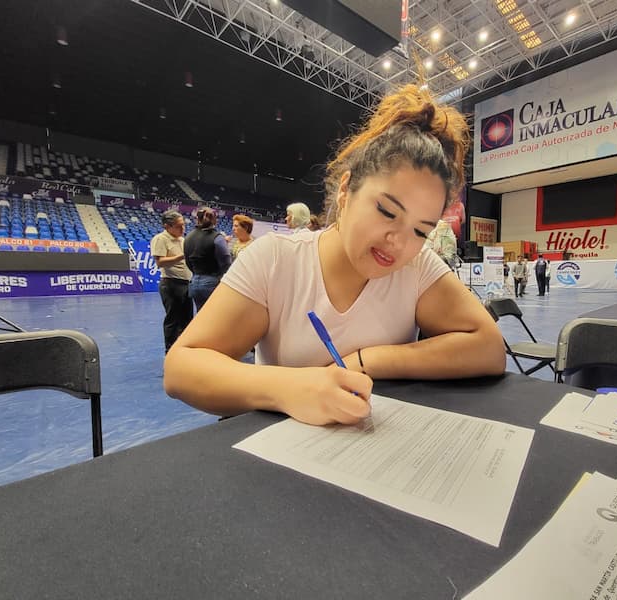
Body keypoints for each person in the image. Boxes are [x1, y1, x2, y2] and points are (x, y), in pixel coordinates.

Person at [164, 83, 506, 425]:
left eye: (420, 231)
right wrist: (289, 388)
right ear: (346, 190)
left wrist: (367, 359)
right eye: (387, 212)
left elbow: (489, 347)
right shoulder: (277, 260)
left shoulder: (416, 268)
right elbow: (181, 369)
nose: (398, 243)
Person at [151, 210, 192, 353]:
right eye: (179, 226)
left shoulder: (182, 239)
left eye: (183, 225)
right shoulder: (160, 239)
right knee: (173, 318)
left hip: (186, 282)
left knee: (187, 318)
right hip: (171, 283)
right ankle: (170, 351)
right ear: (167, 226)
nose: (183, 229)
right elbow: (160, 262)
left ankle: (185, 348)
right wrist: (181, 257)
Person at [184, 207, 232, 312]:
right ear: (215, 220)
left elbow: (187, 261)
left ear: (197, 219)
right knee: (216, 316)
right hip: (212, 281)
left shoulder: (188, 237)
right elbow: (226, 261)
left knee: (201, 315)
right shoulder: (217, 238)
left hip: (195, 282)